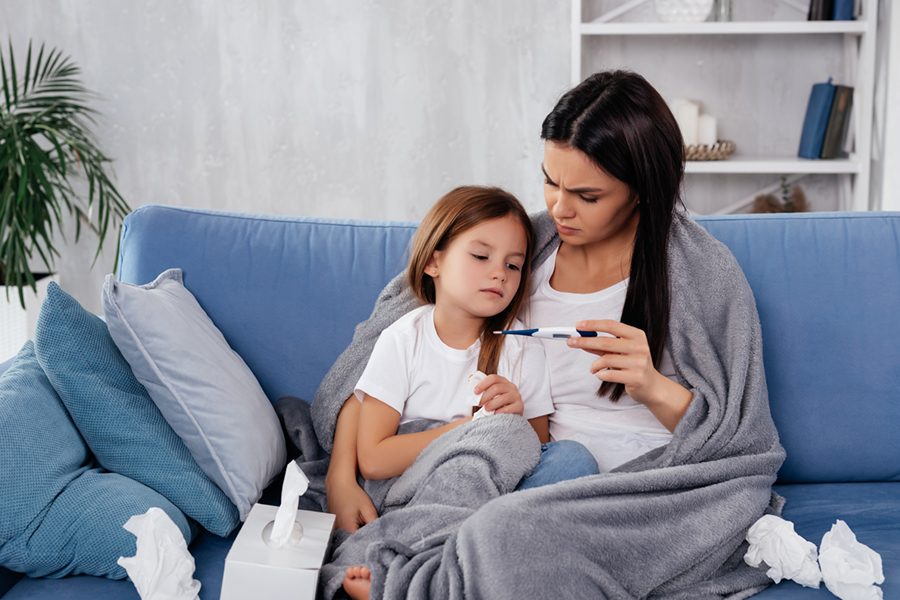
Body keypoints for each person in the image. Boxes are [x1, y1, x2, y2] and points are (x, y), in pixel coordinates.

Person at [319, 69, 781, 598]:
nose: (560, 208)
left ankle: (413, 583)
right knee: (503, 525)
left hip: (639, 494)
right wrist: (340, 477)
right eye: (550, 180)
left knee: (506, 532)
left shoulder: (700, 273)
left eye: (586, 194)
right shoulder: (515, 247)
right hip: (526, 471)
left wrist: (651, 383)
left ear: (640, 191)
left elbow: (742, 442)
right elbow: (370, 366)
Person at [352, 185, 555, 483]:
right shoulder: (403, 339)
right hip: (418, 485)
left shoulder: (523, 347)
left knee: (572, 458)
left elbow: (540, 452)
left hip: (490, 485)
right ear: (434, 262)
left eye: (513, 265)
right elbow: (373, 460)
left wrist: (516, 420)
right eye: (481, 256)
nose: (500, 273)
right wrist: (469, 428)